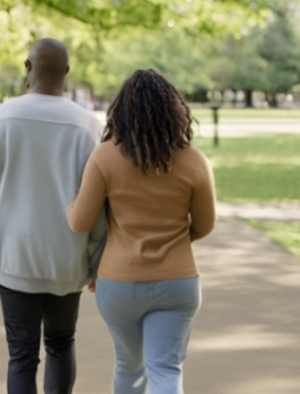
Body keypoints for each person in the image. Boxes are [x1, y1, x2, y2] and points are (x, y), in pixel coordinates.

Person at [0, 38, 106, 394]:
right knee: (61, 345)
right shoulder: (88, 125)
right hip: (67, 258)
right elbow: (101, 202)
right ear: (67, 72)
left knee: (21, 355)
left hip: (15, 258)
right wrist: (97, 261)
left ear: (27, 66)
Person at [66, 69, 216, 394]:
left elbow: (80, 222)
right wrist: (174, 241)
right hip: (178, 283)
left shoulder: (104, 157)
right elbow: (204, 225)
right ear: (174, 110)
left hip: (118, 284)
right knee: (165, 368)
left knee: (128, 366)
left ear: (120, 111)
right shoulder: (194, 161)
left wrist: (69, 207)